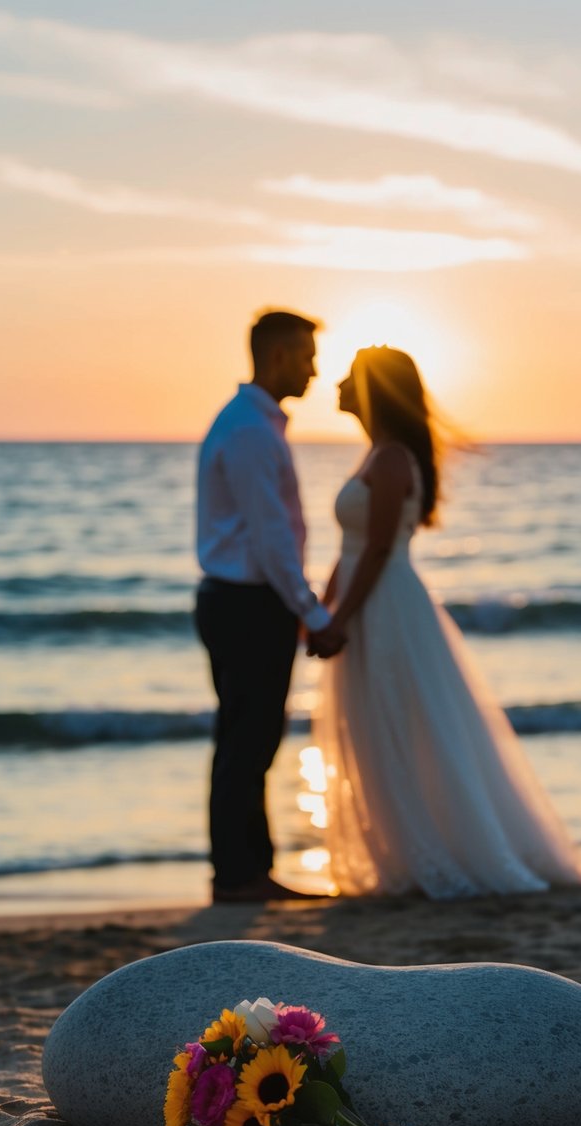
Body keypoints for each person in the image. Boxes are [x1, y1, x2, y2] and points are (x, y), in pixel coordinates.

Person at [313, 345, 581, 898]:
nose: (337, 384)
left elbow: (378, 549)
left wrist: (340, 617)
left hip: (386, 607)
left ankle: (422, 855)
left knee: (399, 724)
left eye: (349, 376)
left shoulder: (389, 459)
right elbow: (351, 549)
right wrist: (321, 609)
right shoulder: (377, 454)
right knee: (377, 725)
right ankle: (400, 856)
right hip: (368, 600)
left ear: (371, 389)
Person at [195, 310, 345, 902]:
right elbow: (271, 537)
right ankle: (239, 875)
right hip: (248, 605)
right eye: (307, 356)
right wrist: (312, 612)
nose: (313, 369)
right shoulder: (253, 432)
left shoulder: (244, 423)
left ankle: (245, 870)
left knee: (244, 738)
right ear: (279, 355)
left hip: (235, 601)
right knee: (249, 741)